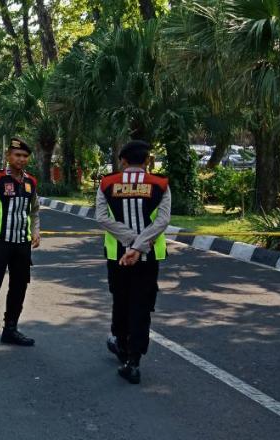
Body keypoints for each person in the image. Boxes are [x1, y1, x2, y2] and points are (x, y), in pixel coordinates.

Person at [96, 140, 171, 385]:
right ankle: (134, 361)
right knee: (141, 305)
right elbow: (162, 221)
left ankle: (120, 343)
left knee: (121, 299)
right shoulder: (160, 185)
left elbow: (102, 217)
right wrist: (139, 246)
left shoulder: (107, 183)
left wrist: (129, 243)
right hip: (148, 257)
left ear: (124, 161)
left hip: (117, 255)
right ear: (147, 160)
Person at [0, 137, 41, 351]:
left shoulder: (30, 182)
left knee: (19, 287)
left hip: (22, 244)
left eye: (24, 156)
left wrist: (35, 231)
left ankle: (10, 329)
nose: (21, 159)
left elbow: (34, 211)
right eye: (17, 155)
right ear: (8, 156)